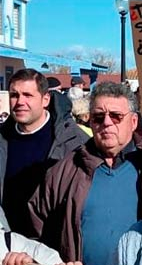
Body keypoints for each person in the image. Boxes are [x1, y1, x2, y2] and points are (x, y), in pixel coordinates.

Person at [28, 82, 142, 265]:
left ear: (133, 122)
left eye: (116, 116)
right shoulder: (64, 171)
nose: (107, 123)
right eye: (98, 117)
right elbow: (38, 231)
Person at [0, 69, 88, 236]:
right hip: (8, 245)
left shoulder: (74, 142)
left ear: (45, 99)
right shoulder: (2, 138)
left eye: (28, 95)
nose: (20, 102)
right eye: (14, 95)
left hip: (54, 245)